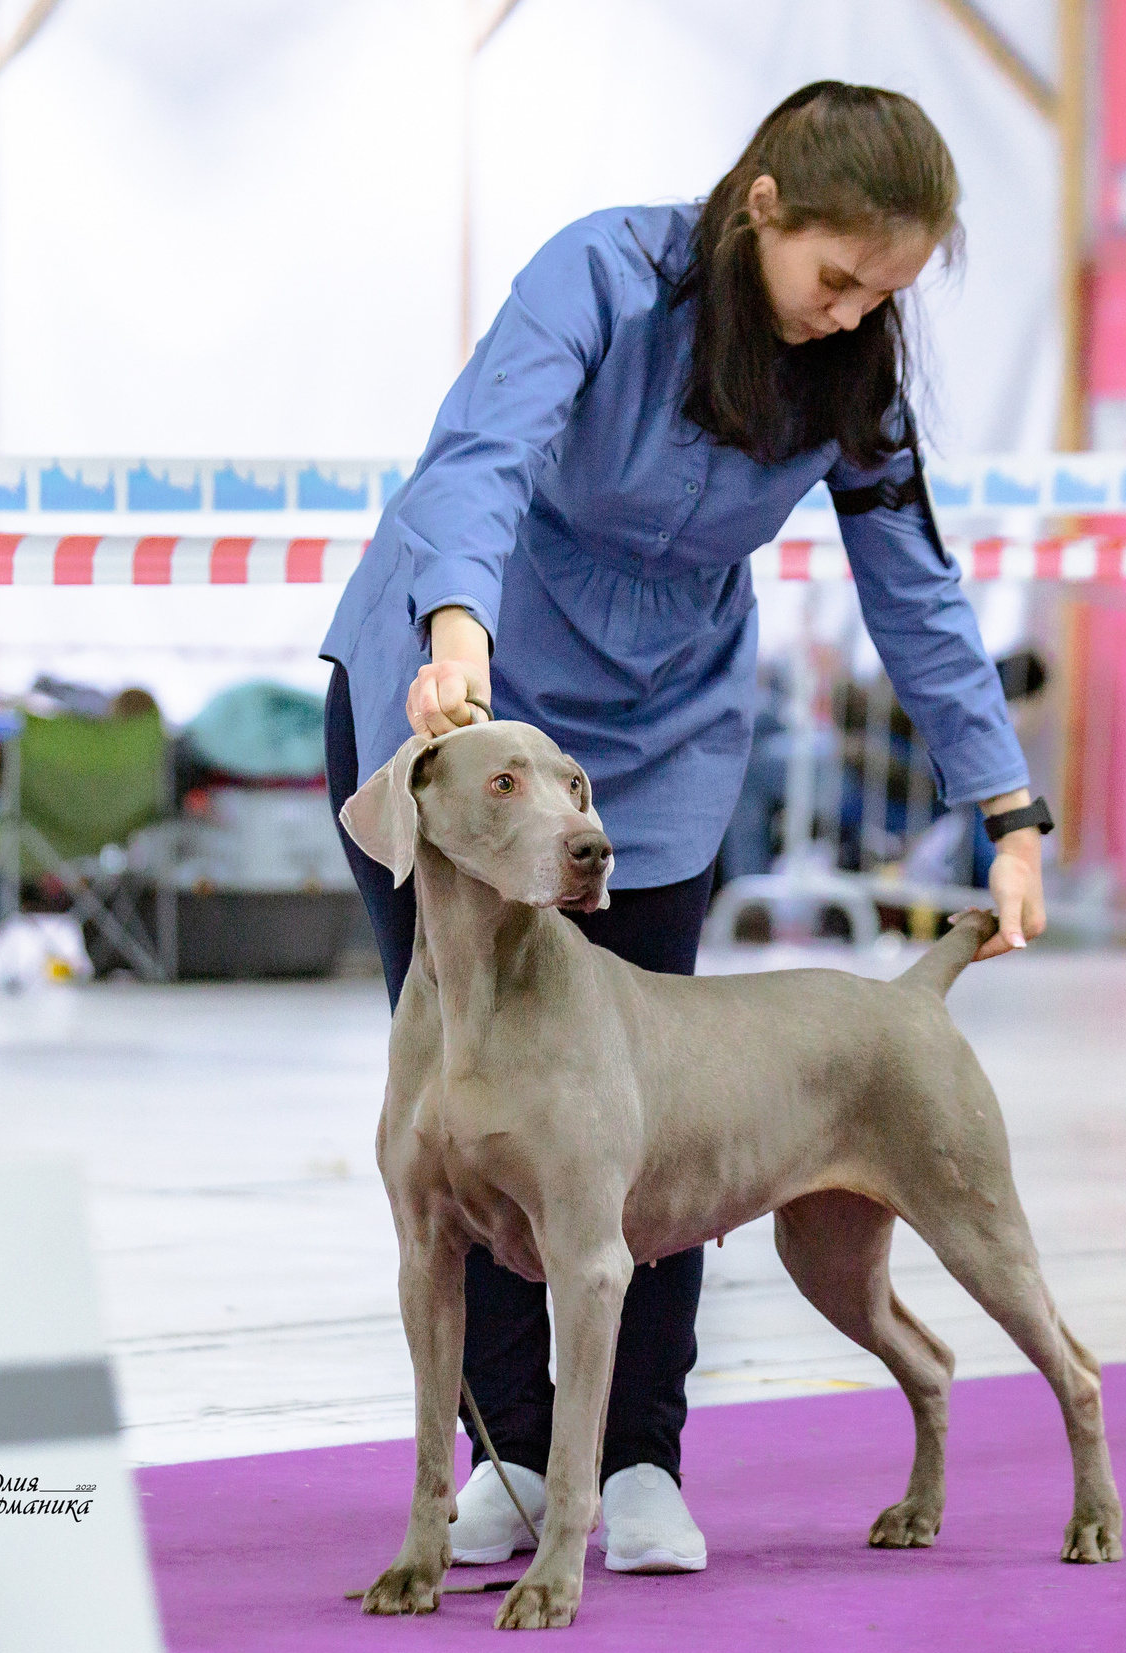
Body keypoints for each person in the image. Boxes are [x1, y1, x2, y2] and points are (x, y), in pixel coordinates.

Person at [319, 82, 1052, 1577]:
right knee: (475, 1100)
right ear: (762, 205)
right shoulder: (600, 275)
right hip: (473, 706)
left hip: (653, 748)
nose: (853, 317)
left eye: (887, 296)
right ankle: (512, 1459)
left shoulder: (849, 377)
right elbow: (480, 462)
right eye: (839, 278)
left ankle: (638, 1454)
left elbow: (913, 585)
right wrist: (457, 631)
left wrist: (1008, 805)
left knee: (643, 1114)